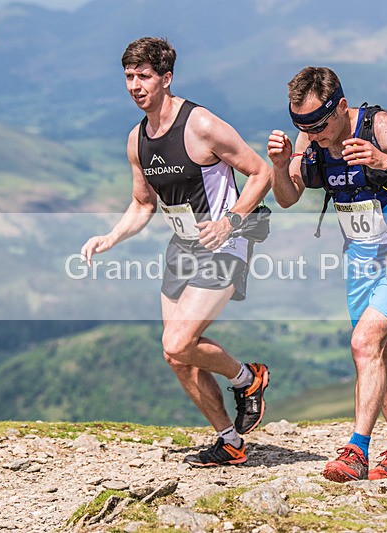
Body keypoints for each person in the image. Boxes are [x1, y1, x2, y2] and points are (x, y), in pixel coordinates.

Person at [81, 37, 272, 467]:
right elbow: (143, 203)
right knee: (176, 355)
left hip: (226, 242)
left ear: (166, 78)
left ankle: (248, 377)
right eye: (129, 76)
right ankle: (229, 440)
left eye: (144, 76)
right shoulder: (137, 139)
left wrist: (230, 221)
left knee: (178, 339)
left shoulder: (200, 124)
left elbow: (260, 171)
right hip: (181, 245)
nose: (134, 85)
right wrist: (110, 237)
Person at [267, 67, 387, 482]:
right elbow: (289, 197)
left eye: (318, 123)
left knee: (364, 344)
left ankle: (355, 451)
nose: (312, 132)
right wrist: (279, 165)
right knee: (381, 356)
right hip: (360, 263)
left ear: (341, 107)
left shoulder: (378, 126)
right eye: (301, 125)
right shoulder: (310, 140)